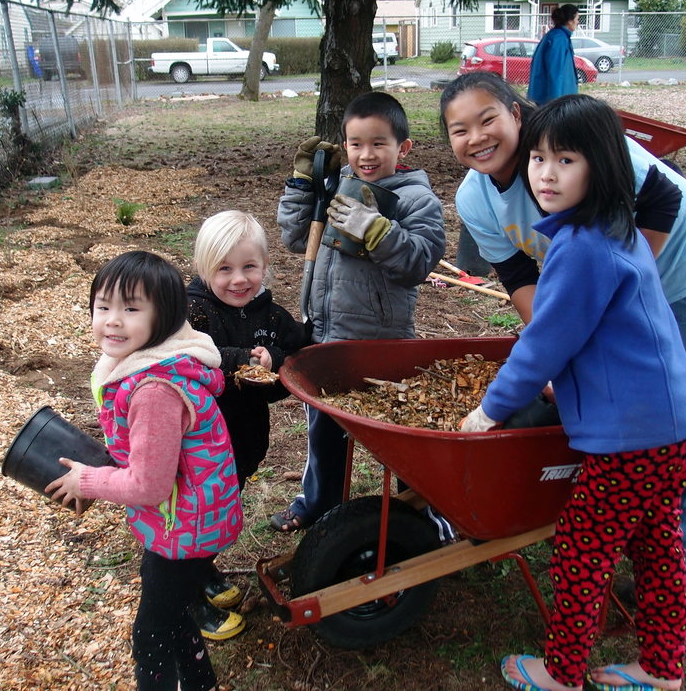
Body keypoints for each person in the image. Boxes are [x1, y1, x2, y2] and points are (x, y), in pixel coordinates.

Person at [459, 94, 686, 691]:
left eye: (565, 160)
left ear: (602, 165)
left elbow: (543, 342)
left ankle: (562, 673)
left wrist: (491, 410)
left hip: (630, 434)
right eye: (539, 158)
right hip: (670, 419)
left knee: (582, 550)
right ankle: (661, 668)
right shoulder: (612, 228)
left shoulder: (579, 249)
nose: (545, 173)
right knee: (656, 545)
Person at [440, 71, 686, 576]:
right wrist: (558, 341)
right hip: (595, 284)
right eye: (459, 130)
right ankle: (618, 515)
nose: (476, 138)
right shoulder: (475, 198)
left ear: (516, 114)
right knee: (607, 405)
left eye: (488, 119)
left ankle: (680, 554)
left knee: (662, 418)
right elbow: (519, 273)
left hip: (677, 268)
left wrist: (623, 293)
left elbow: (662, 199)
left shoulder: (578, 144)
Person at [46, 250, 242, 691]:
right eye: (103, 306)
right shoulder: (146, 364)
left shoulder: (155, 390)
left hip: (185, 529)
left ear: (165, 317)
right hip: (189, 520)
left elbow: (150, 484)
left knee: (150, 635)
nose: (113, 320)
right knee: (172, 613)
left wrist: (88, 480)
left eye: (131, 308)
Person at [272, 91, 445, 534]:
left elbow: (419, 262)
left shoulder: (414, 199)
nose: (366, 155)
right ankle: (320, 505)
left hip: (379, 348)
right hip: (326, 338)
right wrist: (302, 185)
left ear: (402, 148)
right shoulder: (337, 184)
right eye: (355, 144)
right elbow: (296, 237)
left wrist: (376, 230)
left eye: (378, 143)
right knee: (323, 435)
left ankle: (425, 511)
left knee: (397, 440)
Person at [185, 210, 306, 638]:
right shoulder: (192, 314)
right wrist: (242, 360)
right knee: (195, 517)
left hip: (241, 440)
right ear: (203, 269)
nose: (239, 279)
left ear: (264, 267)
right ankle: (189, 600)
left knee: (220, 511)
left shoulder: (269, 315)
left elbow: (297, 349)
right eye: (225, 269)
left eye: (249, 267)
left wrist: (288, 362)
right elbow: (194, 356)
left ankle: (203, 570)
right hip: (198, 445)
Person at [528, 4, 580, 105]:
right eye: (577, 19)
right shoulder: (559, 39)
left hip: (559, 98)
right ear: (570, 21)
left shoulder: (558, 37)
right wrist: (555, 104)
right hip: (556, 100)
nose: (578, 22)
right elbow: (555, 72)